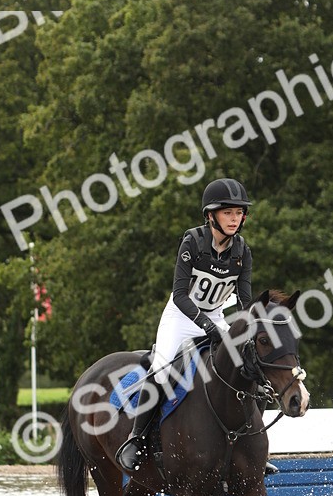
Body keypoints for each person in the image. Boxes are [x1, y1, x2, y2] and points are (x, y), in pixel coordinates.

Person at [117, 177, 276, 475]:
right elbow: (179, 295)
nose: (234, 218)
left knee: (250, 366)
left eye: (239, 213)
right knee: (163, 369)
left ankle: (251, 447)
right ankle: (135, 440)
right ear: (211, 215)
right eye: (228, 212)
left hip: (216, 315)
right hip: (181, 316)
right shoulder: (192, 242)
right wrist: (206, 325)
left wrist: (248, 330)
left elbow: (244, 300)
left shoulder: (242, 251)